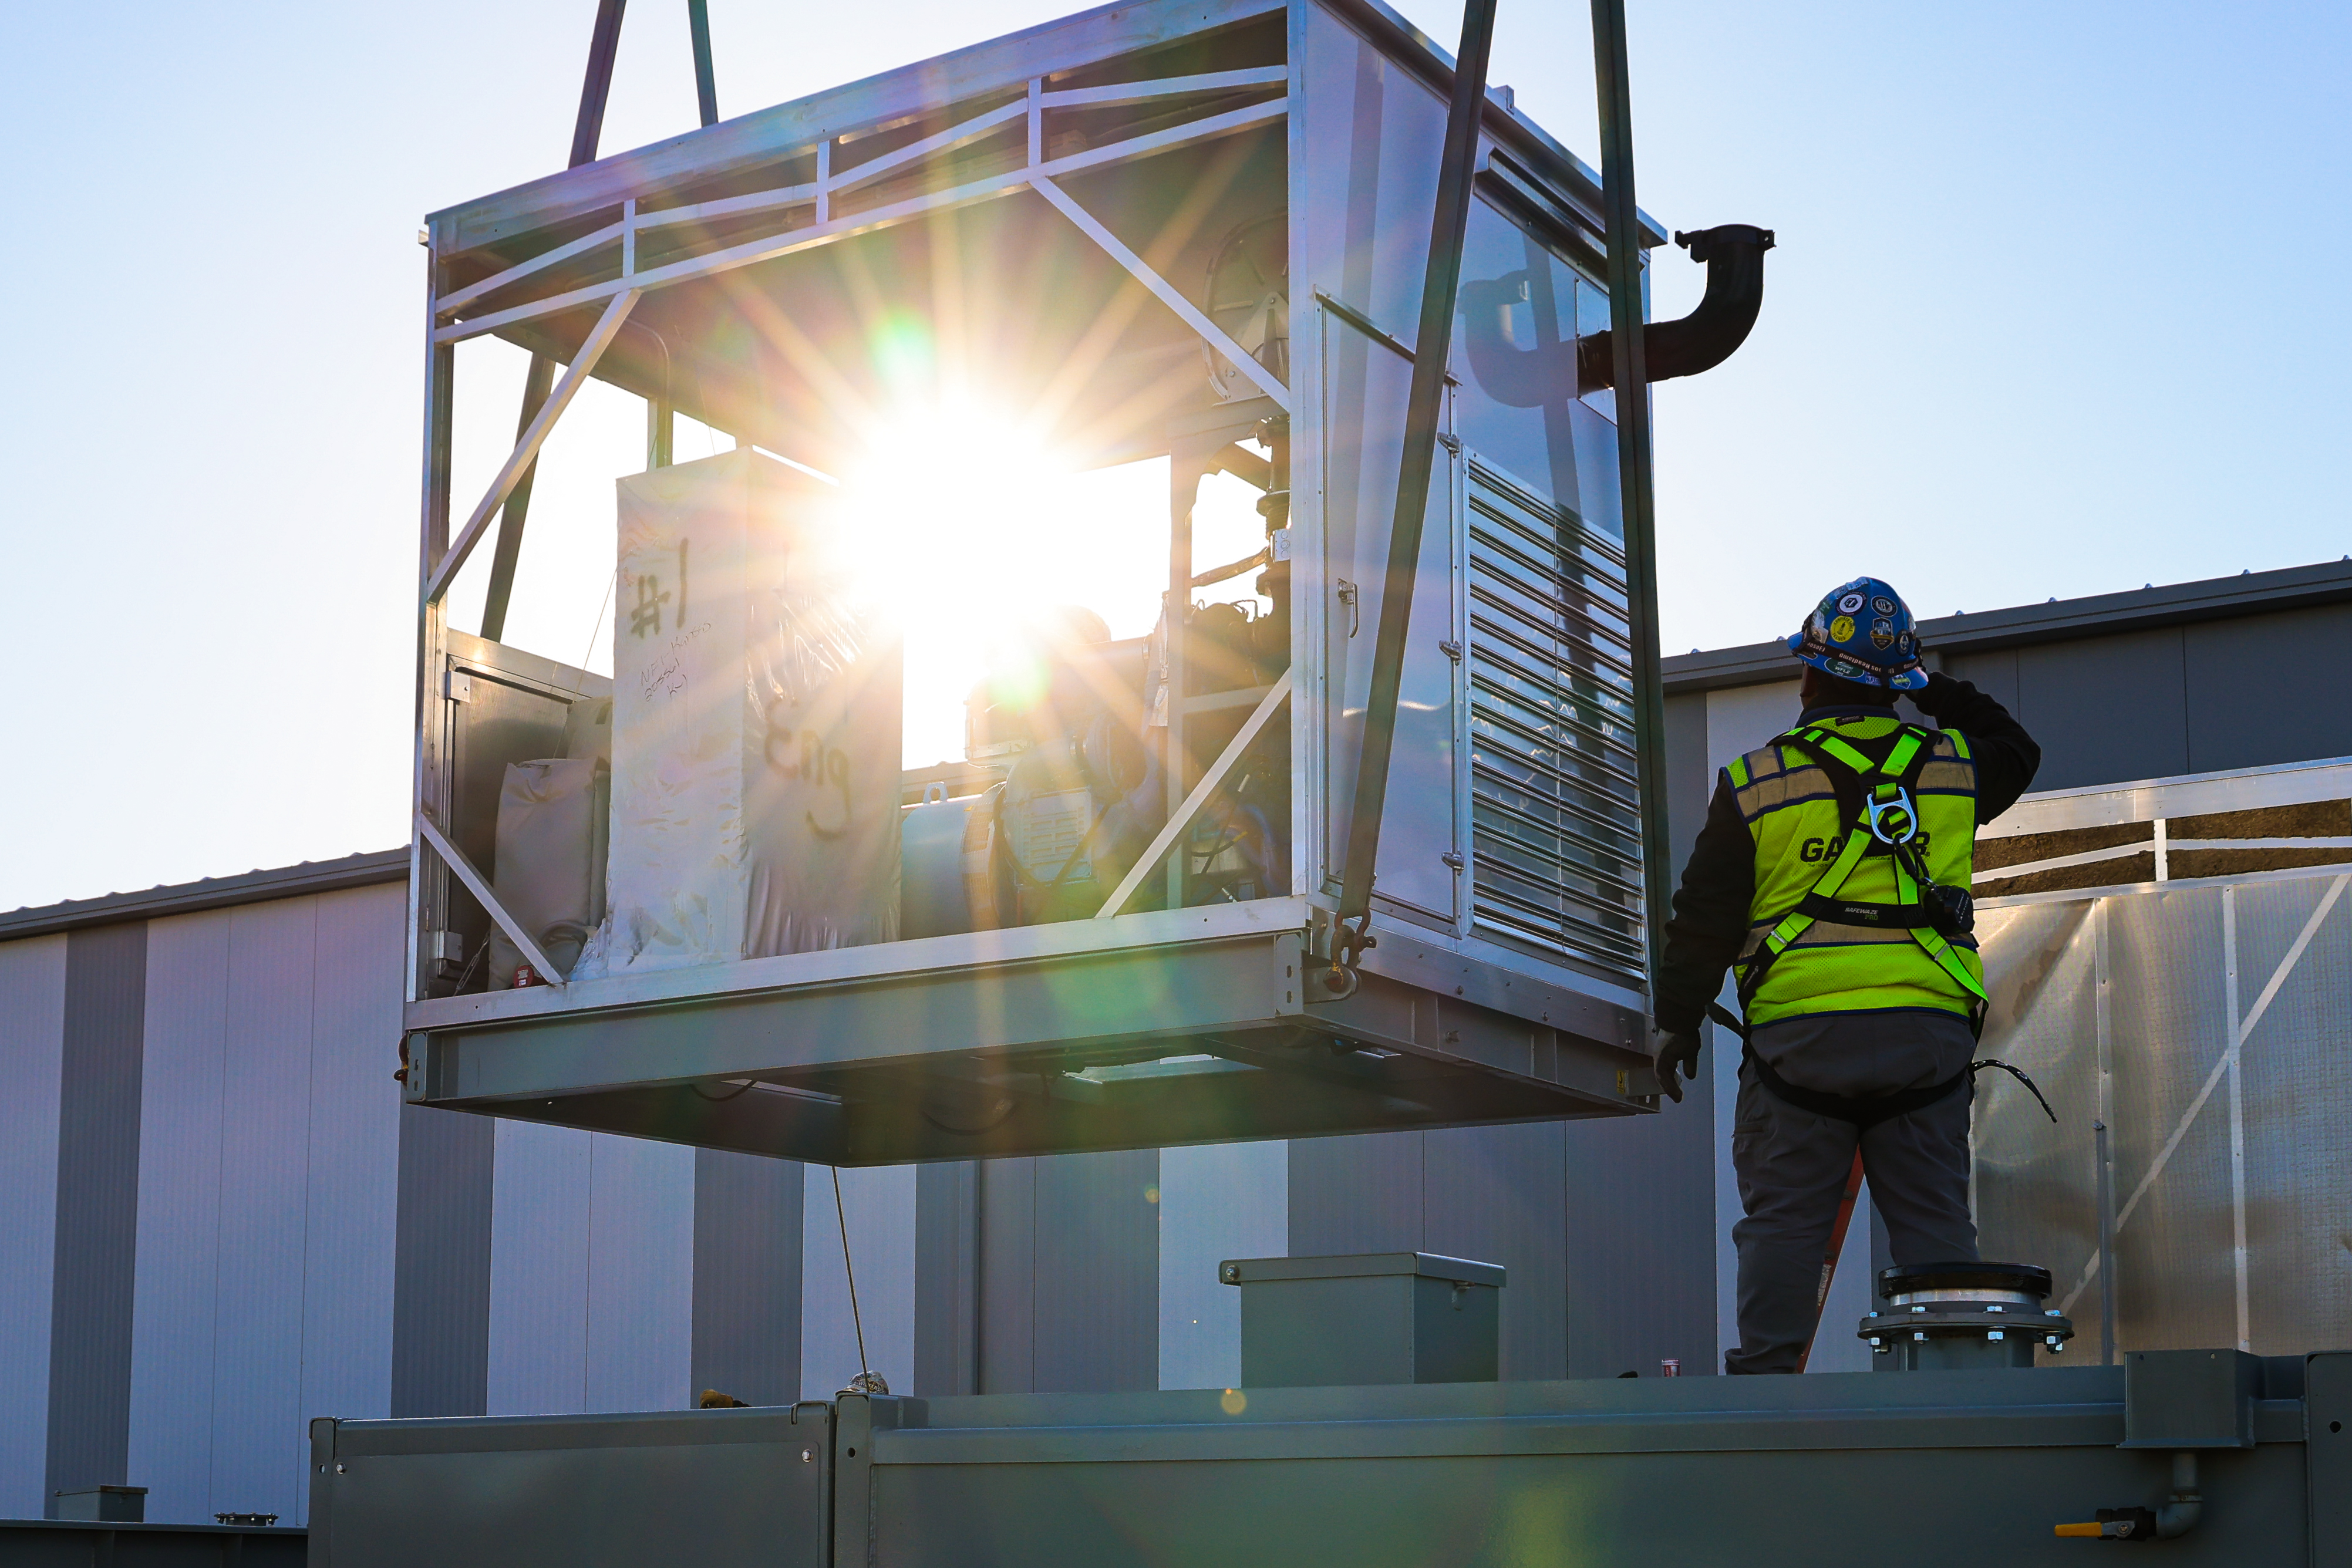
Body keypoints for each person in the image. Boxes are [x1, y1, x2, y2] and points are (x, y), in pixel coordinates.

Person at [1649, 578, 2040, 1374]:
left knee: (1784, 1226)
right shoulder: (1954, 766)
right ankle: (1956, 1384)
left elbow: (1703, 919)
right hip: (1925, 1042)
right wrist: (1927, 685)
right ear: (1898, 681)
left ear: (1808, 674)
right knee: (1935, 1226)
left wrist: (1677, 1021)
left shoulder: (1756, 782)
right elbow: (2016, 747)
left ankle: (1767, 1386)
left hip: (1801, 1046)